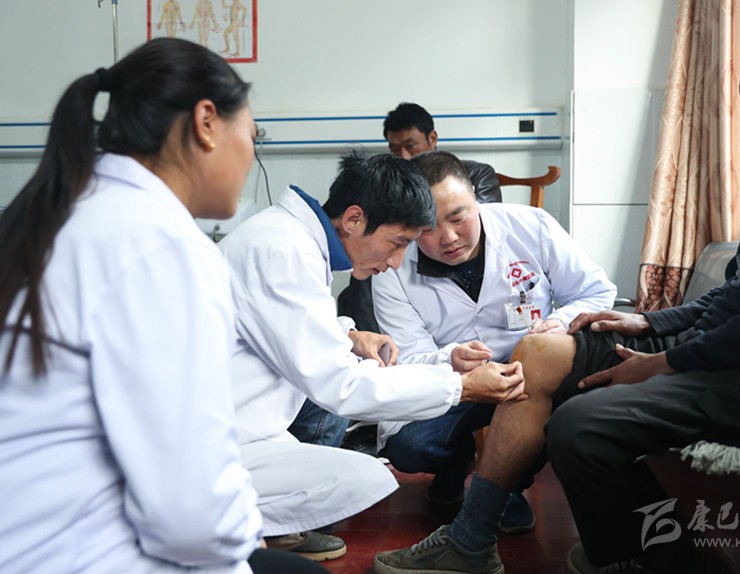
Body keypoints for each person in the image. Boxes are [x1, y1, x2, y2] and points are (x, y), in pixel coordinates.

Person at [373, 7, 740, 574]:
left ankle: (647, 555)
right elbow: (737, 292)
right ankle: (472, 539)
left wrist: (666, 361)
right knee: (539, 351)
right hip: (715, 344)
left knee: (577, 424)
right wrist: (651, 322)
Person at [0, 37, 326, 574]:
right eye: (253, 135)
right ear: (206, 122)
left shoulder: (60, 213)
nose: (252, 154)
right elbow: (192, 515)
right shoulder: (162, 245)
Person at [217, 151, 526, 561]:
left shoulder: (288, 238)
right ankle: (239, 524)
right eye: (397, 243)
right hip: (218, 435)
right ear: (354, 219)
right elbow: (341, 385)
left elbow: (281, 322)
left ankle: (260, 526)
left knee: (352, 463)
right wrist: (462, 386)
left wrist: (347, 335)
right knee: (361, 477)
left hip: (236, 413)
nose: (396, 262)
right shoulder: (285, 253)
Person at [371, 150, 616, 533]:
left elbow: (596, 293)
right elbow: (408, 356)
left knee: (570, 406)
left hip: (530, 376)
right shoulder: (393, 268)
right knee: (408, 447)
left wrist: (559, 322)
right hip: (458, 385)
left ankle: (508, 488)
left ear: (476, 197)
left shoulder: (531, 226)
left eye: (459, 217)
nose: (449, 238)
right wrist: (451, 359)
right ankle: (457, 463)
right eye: (429, 228)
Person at [337, 101, 502, 336]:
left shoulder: (473, 174)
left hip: (444, 268)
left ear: (432, 139)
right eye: (395, 150)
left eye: (410, 146)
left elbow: (480, 230)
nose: (404, 157)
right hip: (406, 263)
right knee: (367, 266)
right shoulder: (392, 187)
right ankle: (370, 342)